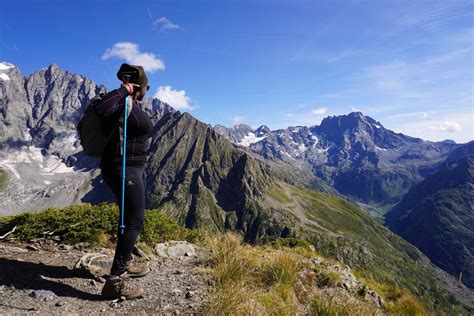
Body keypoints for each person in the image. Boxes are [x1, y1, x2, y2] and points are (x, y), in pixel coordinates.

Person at [95, 63, 154, 300]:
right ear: (139, 86)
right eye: (147, 87)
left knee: (130, 217)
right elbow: (102, 109)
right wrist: (124, 90)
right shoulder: (121, 100)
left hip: (131, 168)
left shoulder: (130, 104)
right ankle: (115, 280)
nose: (148, 91)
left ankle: (125, 261)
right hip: (124, 168)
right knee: (134, 221)